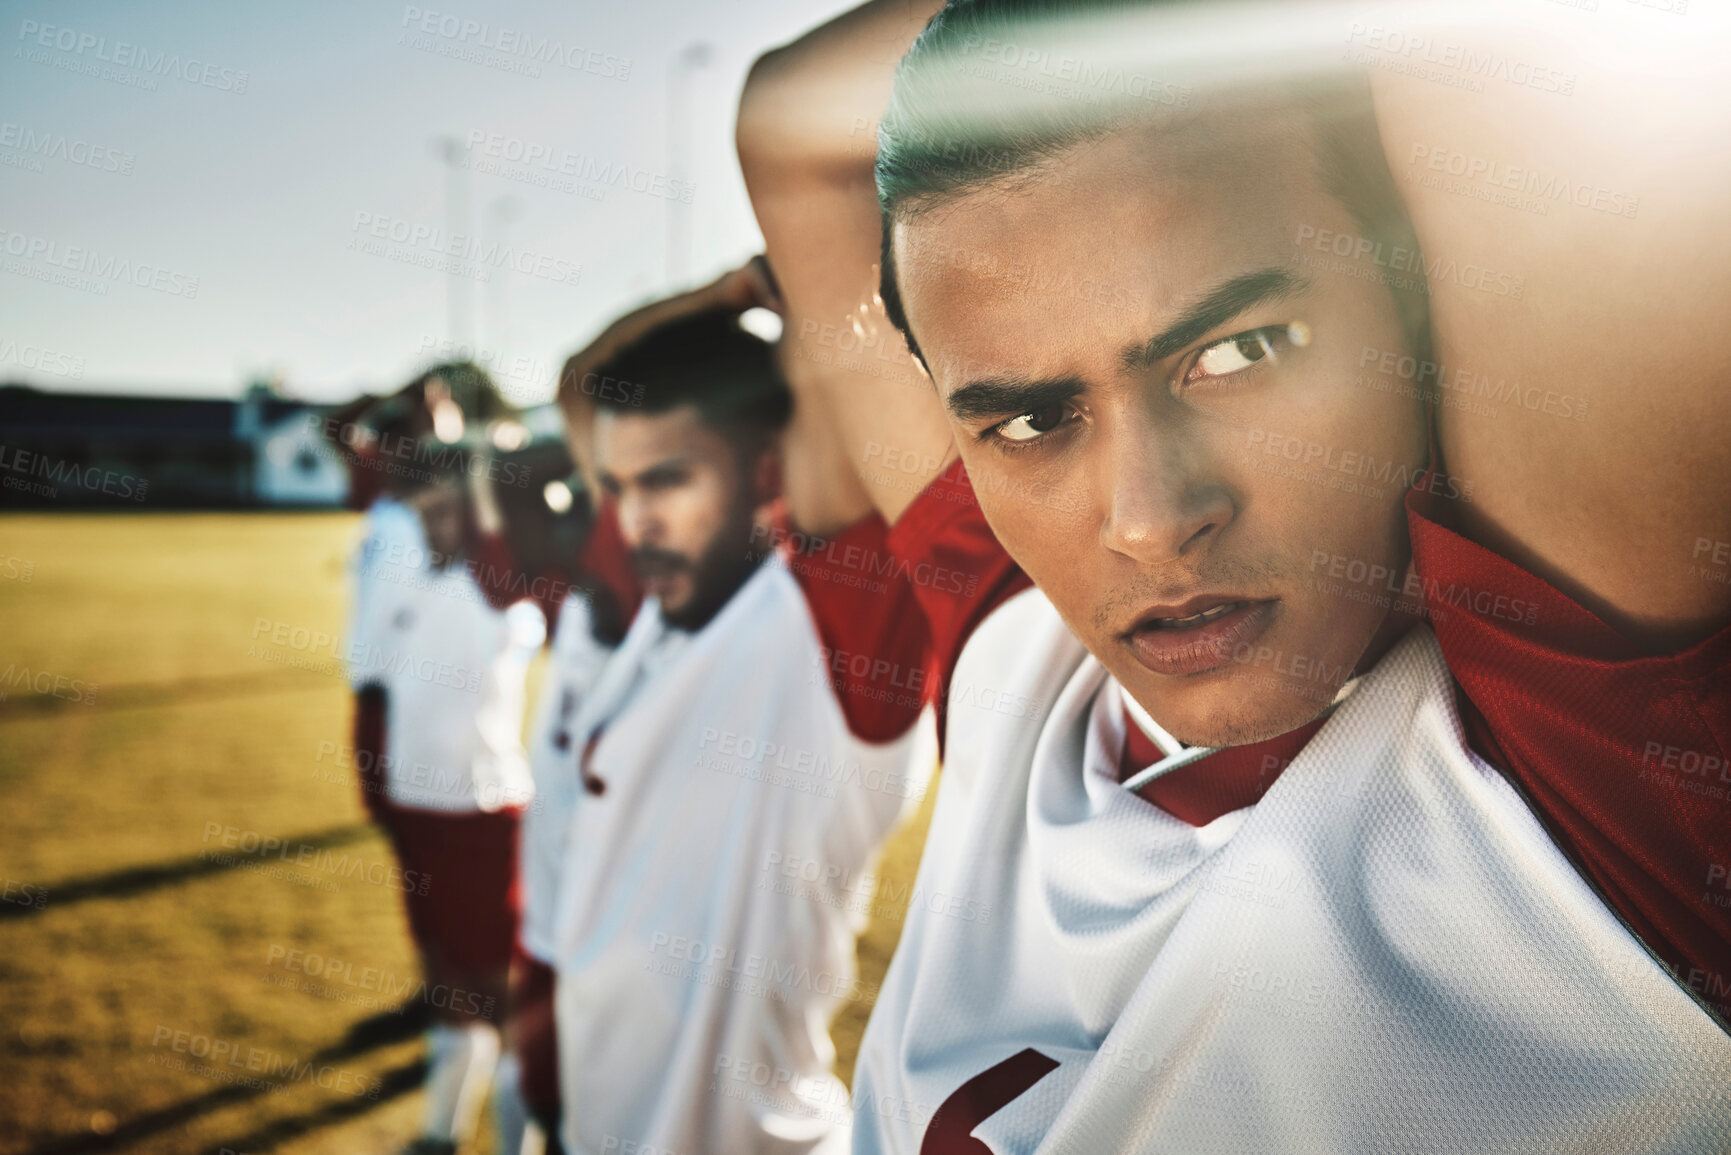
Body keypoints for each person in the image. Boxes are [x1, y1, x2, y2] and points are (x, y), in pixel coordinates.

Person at [739, 0, 1731, 1149]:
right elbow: (789, 129)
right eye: (1028, 421)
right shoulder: (1015, 654)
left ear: (1414, 297)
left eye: (1240, 351)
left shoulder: (1589, 745)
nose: (1149, 525)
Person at [547, 260, 933, 1154]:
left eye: (666, 480)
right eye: (618, 485)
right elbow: (579, 384)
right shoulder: (664, 590)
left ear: (768, 475)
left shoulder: (829, 626)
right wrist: (720, 296)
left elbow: (831, 340)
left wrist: (791, 274)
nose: (632, 516)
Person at [360, 439, 547, 1155]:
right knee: (444, 984)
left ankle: (521, 1139)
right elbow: (372, 666)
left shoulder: (502, 591)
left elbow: (511, 597)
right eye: (424, 509)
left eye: (446, 508)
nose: (431, 521)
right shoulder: (410, 575)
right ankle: (438, 1131)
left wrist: (484, 480)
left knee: (500, 998)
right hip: (415, 808)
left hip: (481, 810)